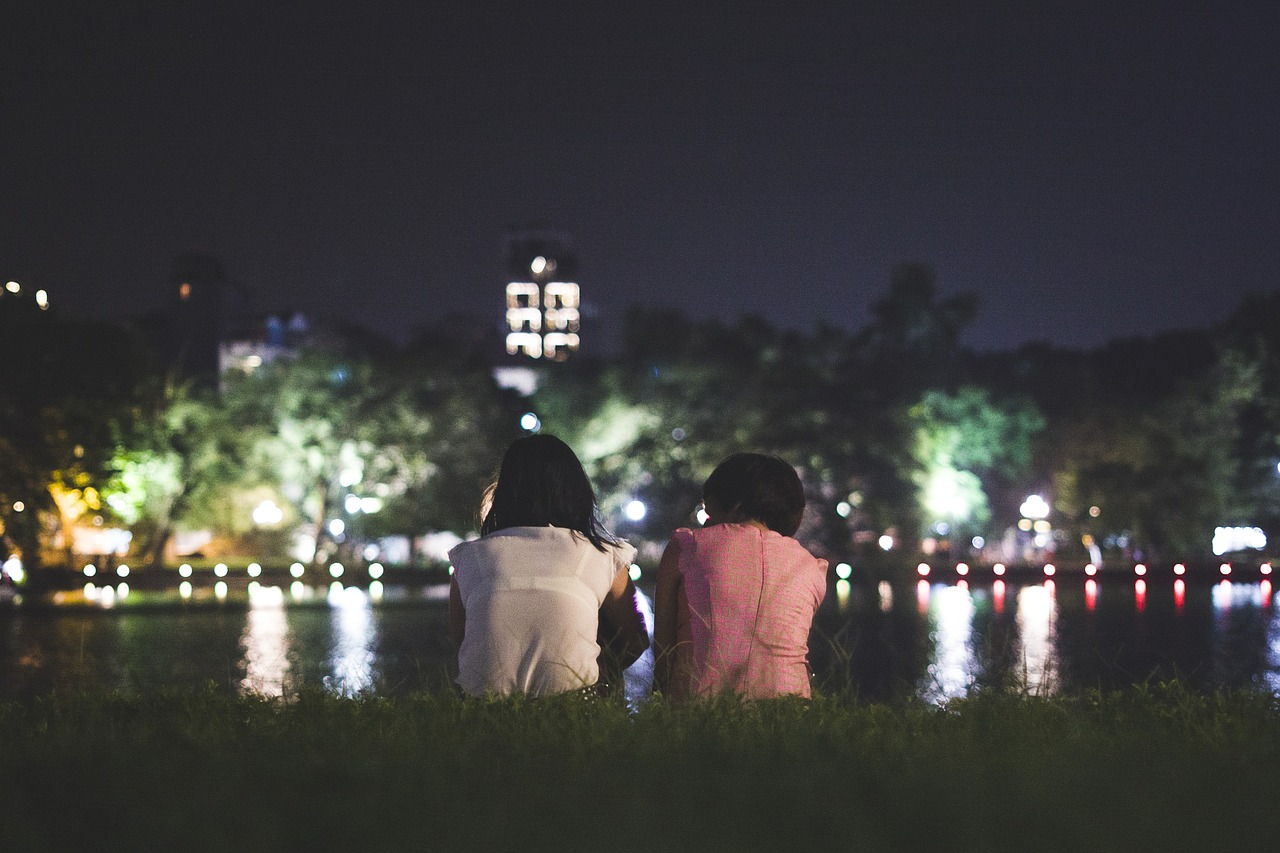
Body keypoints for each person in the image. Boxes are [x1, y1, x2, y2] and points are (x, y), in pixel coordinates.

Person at [448, 434, 649, 697]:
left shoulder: (469, 557)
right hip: (576, 705)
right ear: (576, 490)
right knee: (604, 622)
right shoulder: (601, 554)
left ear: (505, 490)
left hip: (484, 706)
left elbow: (460, 636)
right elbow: (635, 638)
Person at [653, 452, 828, 700]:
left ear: (734, 506)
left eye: (708, 512)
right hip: (789, 711)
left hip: (699, 711)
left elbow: (664, 650)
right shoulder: (810, 567)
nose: (705, 524)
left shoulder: (687, 545)